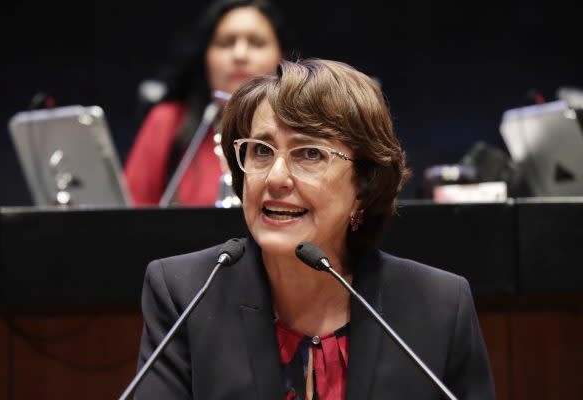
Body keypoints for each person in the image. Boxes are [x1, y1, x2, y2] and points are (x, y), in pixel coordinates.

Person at [136, 59, 495, 399]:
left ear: (364, 186)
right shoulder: (184, 294)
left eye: (309, 154)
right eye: (261, 151)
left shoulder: (439, 306)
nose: (276, 178)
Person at [125, 0, 286, 206]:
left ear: (282, 57)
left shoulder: (300, 128)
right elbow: (130, 217)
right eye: (226, 43)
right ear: (205, 57)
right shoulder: (169, 120)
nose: (240, 55)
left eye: (256, 42)